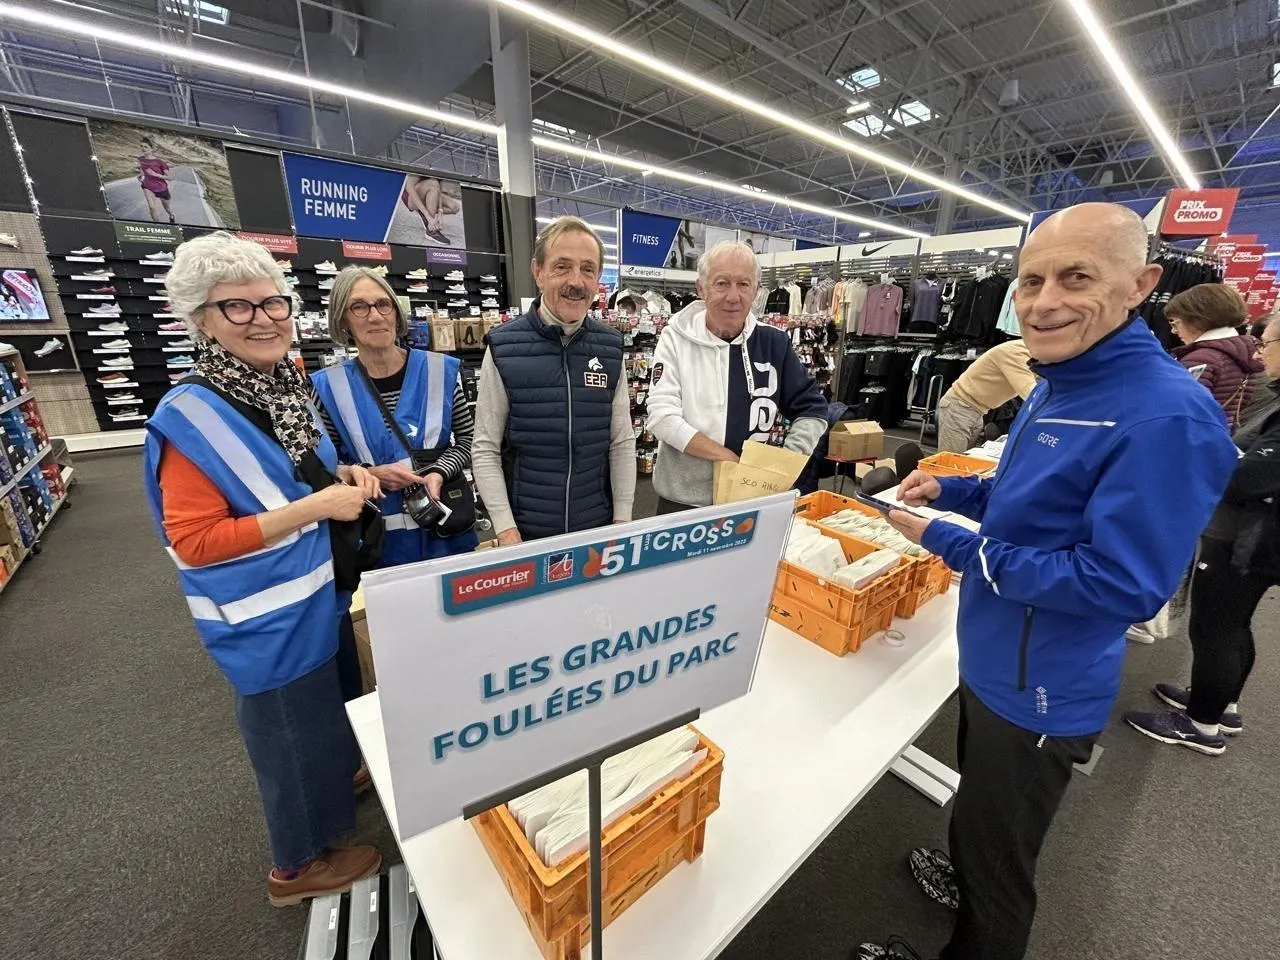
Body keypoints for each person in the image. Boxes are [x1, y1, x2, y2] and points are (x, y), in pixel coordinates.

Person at [857, 203, 1237, 960]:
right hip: (995, 655)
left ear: (1141, 285)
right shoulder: (1057, 380)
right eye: (1031, 281)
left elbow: (1122, 586)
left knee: (1003, 871)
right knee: (982, 809)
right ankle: (968, 869)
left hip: (1042, 686)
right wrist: (953, 493)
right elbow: (1031, 502)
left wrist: (953, 545)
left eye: (1077, 277)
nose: (1044, 301)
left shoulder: (1168, 417)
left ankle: (978, 909)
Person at [141, 232, 383, 907]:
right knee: (290, 739)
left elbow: (293, 471)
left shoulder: (280, 386)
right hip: (265, 621)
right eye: (238, 307)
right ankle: (297, 869)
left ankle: (335, 786)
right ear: (202, 321)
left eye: (272, 303)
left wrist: (342, 475)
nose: (264, 319)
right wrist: (317, 507)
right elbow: (194, 541)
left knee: (322, 720)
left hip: (316, 597)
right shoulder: (188, 418)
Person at [1125, 315, 1280, 755]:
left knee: (1216, 627)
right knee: (1233, 623)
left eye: (1267, 343)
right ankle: (1219, 703)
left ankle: (1201, 724)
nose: (1259, 352)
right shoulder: (1272, 398)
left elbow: (1247, 479)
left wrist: (1205, 459)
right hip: (1250, 534)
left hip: (1246, 538)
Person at [473, 216, 635, 543]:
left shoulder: (610, 347)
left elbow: (621, 442)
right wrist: (505, 528)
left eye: (587, 269)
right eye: (562, 267)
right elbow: (485, 447)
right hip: (527, 534)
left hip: (596, 530)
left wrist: (622, 522)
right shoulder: (504, 347)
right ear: (538, 272)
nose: (576, 281)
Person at [312, 266, 478, 566]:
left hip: (446, 534)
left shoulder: (439, 370)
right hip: (376, 543)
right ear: (342, 319)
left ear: (396, 313)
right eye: (359, 307)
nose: (375, 316)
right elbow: (324, 466)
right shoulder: (327, 388)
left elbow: (468, 440)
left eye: (383, 304)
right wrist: (371, 474)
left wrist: (439, 472)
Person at [646, 240, 828, 512]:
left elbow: (812, 408)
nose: (733, 296)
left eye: (743, 284)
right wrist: (726, 458)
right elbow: (661, 416)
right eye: (722, 283)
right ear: (701, 288)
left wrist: (786, 462)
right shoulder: (675, 338)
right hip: (682, 502)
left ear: (756, 290)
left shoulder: (774, 343)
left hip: (750, 498)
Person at [1167, 283, 1262, 428]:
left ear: (1196, 319)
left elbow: (1180, 410)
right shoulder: (1253, 350)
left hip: (1198, 434)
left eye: (1176, 323)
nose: (1174, 331)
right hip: (1230, 432)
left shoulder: (1200, 359)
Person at [934, 339, 1036, 452]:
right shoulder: (1017, 352)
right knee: (951, 460)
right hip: (960, 407)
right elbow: (1032, 394)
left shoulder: (1035, 357)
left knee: (964, 458)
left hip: (975, 410)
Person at [401, 175, 460, 246]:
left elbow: (438, 189)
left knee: (455, 207)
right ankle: (431, 230)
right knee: (433, 183)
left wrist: (440, 213)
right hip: (411, 198)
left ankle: (425, 211)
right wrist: (427, 215)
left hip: (429, 190)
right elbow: (409, 187)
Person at [138, 137, 175, 224]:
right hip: (147, 186)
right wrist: (141, 176)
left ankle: (171, 215)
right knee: (152, 207)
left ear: (151, 149)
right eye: (141, 146)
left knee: (167, 208)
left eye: (146, 147)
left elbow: (170, 178)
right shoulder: (140, 159)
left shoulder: (160, 162)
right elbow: (142, 170)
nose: (143, 148)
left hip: (161, 188)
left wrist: (156, 174)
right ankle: (158, 226)